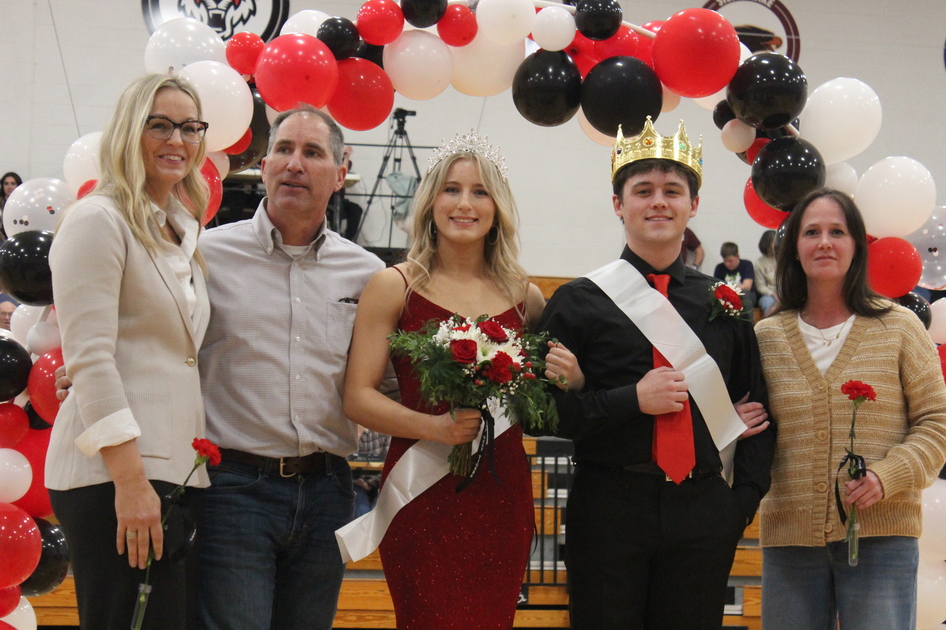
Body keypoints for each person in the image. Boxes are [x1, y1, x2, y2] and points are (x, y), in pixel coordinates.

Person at [538, 118, 775, 630]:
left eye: (673, 190)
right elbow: (539, 414)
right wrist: (629, 399)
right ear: (619, 203)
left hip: (703, 509)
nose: (658, 202)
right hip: (608, 506)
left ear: (694, 203)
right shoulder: (578, 302)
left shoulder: (725, 305)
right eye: (642, 191)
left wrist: (738, 508)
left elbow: (759, 413)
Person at [343, 130, 581, 630]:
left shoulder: (526, 298)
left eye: (479, 191)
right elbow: (358, 398)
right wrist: (435, 429)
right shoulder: (394, 286)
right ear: (431, 202)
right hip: (420, 495)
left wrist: (572, 377)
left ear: (497, 207)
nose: (464, 204)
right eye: (451, 189)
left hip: (502, 494)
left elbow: (544, 400)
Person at [195, 106, 386, 629]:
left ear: (341, 172)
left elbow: (389, 381)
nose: (295, 164)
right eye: (283, 149)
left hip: (329, 493)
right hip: (234, 491)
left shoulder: (369, 274)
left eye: (312, 152)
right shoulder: (207, 255)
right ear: (263, 164)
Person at [46, 74, 212, 630]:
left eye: (190, 127)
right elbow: (90, 359)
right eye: (159, 125)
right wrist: (131, 481)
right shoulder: (98, 218)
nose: (177, 140)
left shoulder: (181, 228)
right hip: (116, 478)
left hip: (170, 471)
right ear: (128, 130)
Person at [754, 188, 946, 630]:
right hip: (790, 541)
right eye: (811, 232)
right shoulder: (765, 338)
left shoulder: (899, 328)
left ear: (857, 246)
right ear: (795, 248)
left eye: (837, 232)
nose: (824, 242)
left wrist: (890, 474)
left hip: (881, 538)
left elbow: (937, 422)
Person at [715, 241, 756, 312]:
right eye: (725, 261)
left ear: (738, 257)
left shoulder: (747, 265)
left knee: (744, 296)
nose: (727, 264)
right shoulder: (719, 268)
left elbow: (747, 286)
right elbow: (718, 287)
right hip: (726, 296)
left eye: (730, 261)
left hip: (745, 294)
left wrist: (731, 291)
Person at [754, 229, 778, 316]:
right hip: (769, 295)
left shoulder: (783, 259)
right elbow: (760, 286)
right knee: (767, 303)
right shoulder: (759, 262)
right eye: (774, 241)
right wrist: (772, 294)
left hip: (785, 294)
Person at [1, 171, 23, 239]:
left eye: (12, 184)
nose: (9, 187)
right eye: (6, 184)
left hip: (17, 235)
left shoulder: (22, 203)